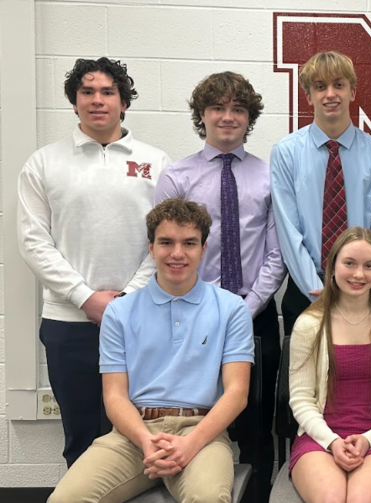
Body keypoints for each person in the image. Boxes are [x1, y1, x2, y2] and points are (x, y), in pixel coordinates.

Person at [48, 197, 254, 503]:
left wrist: (190, 444)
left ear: (204, 248)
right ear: (150, 247)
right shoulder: (120, 313)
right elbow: (114, 396)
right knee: (65, 500)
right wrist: (146, 442)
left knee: (208, 499)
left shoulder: (231, 308)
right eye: (166, 242)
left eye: (189, 243)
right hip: (133, 435)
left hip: (202, 433)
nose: (177, 253)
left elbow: (236, 393)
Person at [17, 57, 171, 467]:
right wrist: (87, 298)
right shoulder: (44, 163)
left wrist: (127, 298)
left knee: (141, 436)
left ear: (124, 102)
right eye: (87, 92)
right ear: (74, 102)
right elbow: (34, 242)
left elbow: (167, 243)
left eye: (108, 92)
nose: (97, 100)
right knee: (82, 436)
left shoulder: (157, 162)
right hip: (68, 323)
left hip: (141, 318)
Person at [154, 71, 285, 492]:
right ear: (202, 115)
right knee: (198, 413)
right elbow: (167, 252)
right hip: (191, 317)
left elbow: (277, 251)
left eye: (238, 109)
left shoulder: (269, 177)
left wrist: (246, 308)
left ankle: (258, 494)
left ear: (249, 118)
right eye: (218, 108)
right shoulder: (178, 177)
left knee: (255, 420)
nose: (228, 117)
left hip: (254, 314)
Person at [271, 51, 371, 337]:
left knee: (362, 378)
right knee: (304, 379)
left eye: (339, 85)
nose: (330, 94)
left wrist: (361, 281)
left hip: (363, 289)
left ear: (352, 92)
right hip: (307, 290)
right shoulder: (286, 153)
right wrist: (317, 292)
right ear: (308, 96)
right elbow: (288, 230)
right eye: (320, 86)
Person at [288, 227, 371, 503]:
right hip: (318, 438)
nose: (359, 274)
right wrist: (332, 441)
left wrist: (369, 439)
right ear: (333, 267)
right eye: (350, 263)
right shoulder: (309, 324)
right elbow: (300, 399)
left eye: (369, 266)